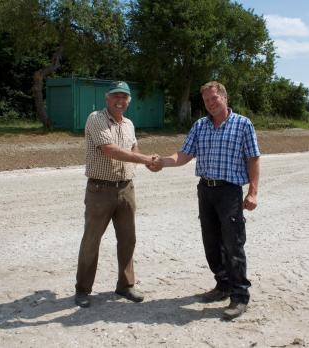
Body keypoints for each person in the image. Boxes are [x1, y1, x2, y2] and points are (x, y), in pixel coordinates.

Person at [149, 81, 260, 320]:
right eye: (207, 101)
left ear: (224, 98)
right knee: (211, 242)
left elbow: (253, 158)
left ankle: (240, 296)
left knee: (233, 243)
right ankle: (223, 285)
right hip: (205, 190)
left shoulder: (243, 124)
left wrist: (253, 191)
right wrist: (162, 162)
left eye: (214, 99)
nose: (210, 104)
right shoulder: (200, 125)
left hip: (229, 191)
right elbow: (183, 155)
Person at [74, 81, 156, 308]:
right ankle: (82, 289)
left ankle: (126, 285)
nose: (120, 100)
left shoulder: (129, 123)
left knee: (128, 239)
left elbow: (133, 150)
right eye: (116, 96)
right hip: (100, 189)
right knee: (91, 240)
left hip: (126, 188)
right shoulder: (96, 118)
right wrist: (145, 159)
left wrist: (148, 162)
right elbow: (109, 150)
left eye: (125, 96)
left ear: (129, 100)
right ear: (106, 98)